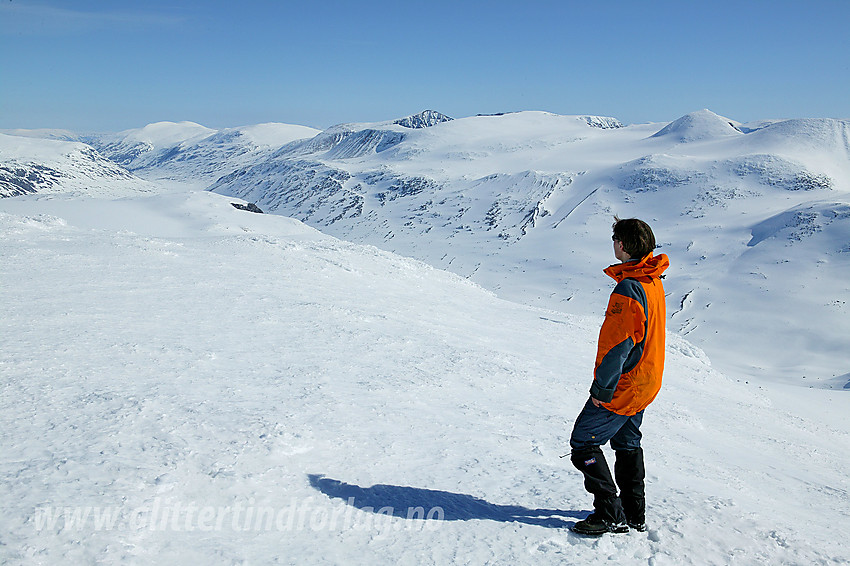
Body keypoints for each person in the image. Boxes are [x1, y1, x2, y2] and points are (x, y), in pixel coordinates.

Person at [569, 217, 669, 536]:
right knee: (627, 441)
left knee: (584, 443)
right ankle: (634, 512)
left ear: (622, 245)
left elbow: (618, 346)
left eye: (615, 239)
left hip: (624, 386)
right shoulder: (651, 280)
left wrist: (602, 389)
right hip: (645, 382)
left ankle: (609, 511)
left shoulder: (628, 288)